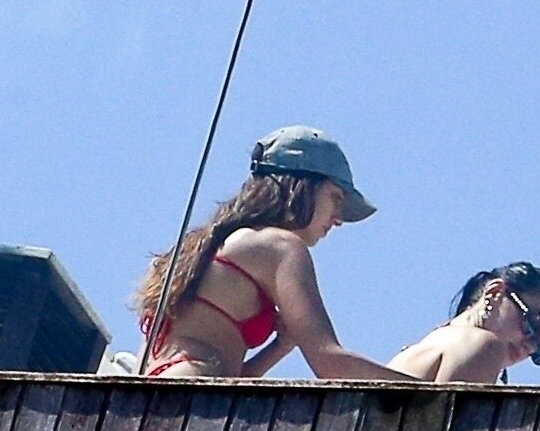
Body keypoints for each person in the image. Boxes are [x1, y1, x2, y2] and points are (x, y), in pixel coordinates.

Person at [135, 124, 414, 380]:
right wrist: (427, 393)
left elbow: (220, 377)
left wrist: (280, 347)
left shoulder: (193, 250)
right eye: (336, 198)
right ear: (302, 186)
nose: (338, 218)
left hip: (158, 395)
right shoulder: (280, 246)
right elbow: (329, 362)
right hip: (195, 397)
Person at [387, 262, 540, 383]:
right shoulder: (483, 344)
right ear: (495, 293)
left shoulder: (428, 344)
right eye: (533, 325)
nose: (530, 347)